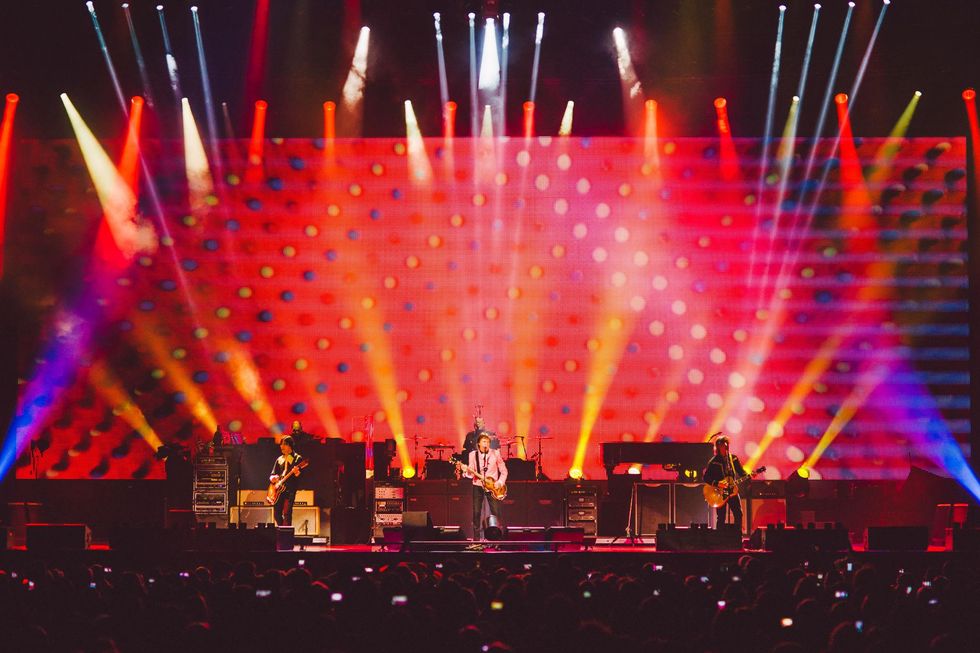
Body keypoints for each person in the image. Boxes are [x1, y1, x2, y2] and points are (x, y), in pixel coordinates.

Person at [466, 432, 507, 541]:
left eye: (488, 442)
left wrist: (500, 482)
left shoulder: (496, 453)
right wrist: (467, 472)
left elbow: (504, 471)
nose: (486, 444)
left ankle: (497, 539)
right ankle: (476, 540)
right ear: (478, 443)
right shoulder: (472, 455)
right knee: (476, 513)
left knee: (496, 512)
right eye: (484, 441)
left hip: (493, 487)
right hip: (478, 486)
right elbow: (470, 474)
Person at [703, 435, 746, 531]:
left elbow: (741, 472)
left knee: (738, 513)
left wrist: (750, 475)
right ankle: (720, 539)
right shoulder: (714, 461)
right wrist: (718, 483)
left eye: (726, 445)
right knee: (721, 516)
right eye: (722, 445)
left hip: (732, 491)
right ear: (718, 447)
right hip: (720, 492)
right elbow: (706, 477)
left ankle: (737, 536)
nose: (724, 447)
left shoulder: (733, 458)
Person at [269, 435, 304, 526]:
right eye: (281, 444)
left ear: (290, 446)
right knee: (277, 513)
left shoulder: (297, 458)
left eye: (285, 444)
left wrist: (297, 473)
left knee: (287, 513)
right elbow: (272, 474)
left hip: (290, 490)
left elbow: (300, 475)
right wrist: (273, 478)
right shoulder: (279, 459)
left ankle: (287, 534)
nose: (282, 446)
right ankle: (281, 530)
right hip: (279, 490)